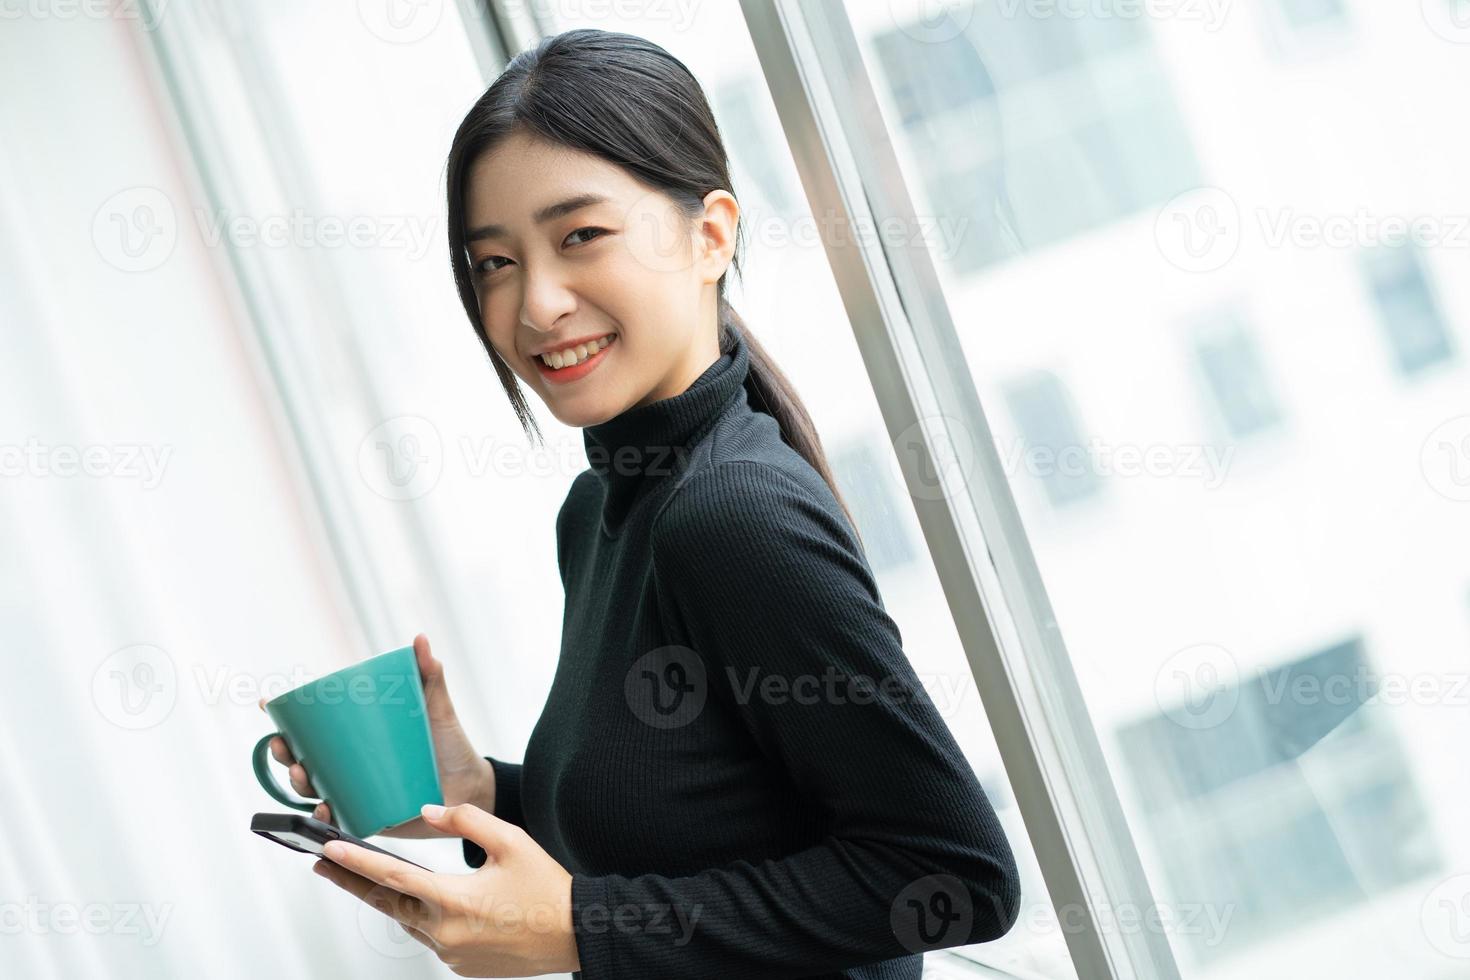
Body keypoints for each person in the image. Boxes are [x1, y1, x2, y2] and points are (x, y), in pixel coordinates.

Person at [263, 27, 1021, 979]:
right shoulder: (602, 510)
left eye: (581, 236)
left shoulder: (731, 514)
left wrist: (584, 927)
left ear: (710, 236)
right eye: (493, 262)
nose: (537, 305)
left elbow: (955, 875)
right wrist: (482, 791)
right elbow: (697, 821)